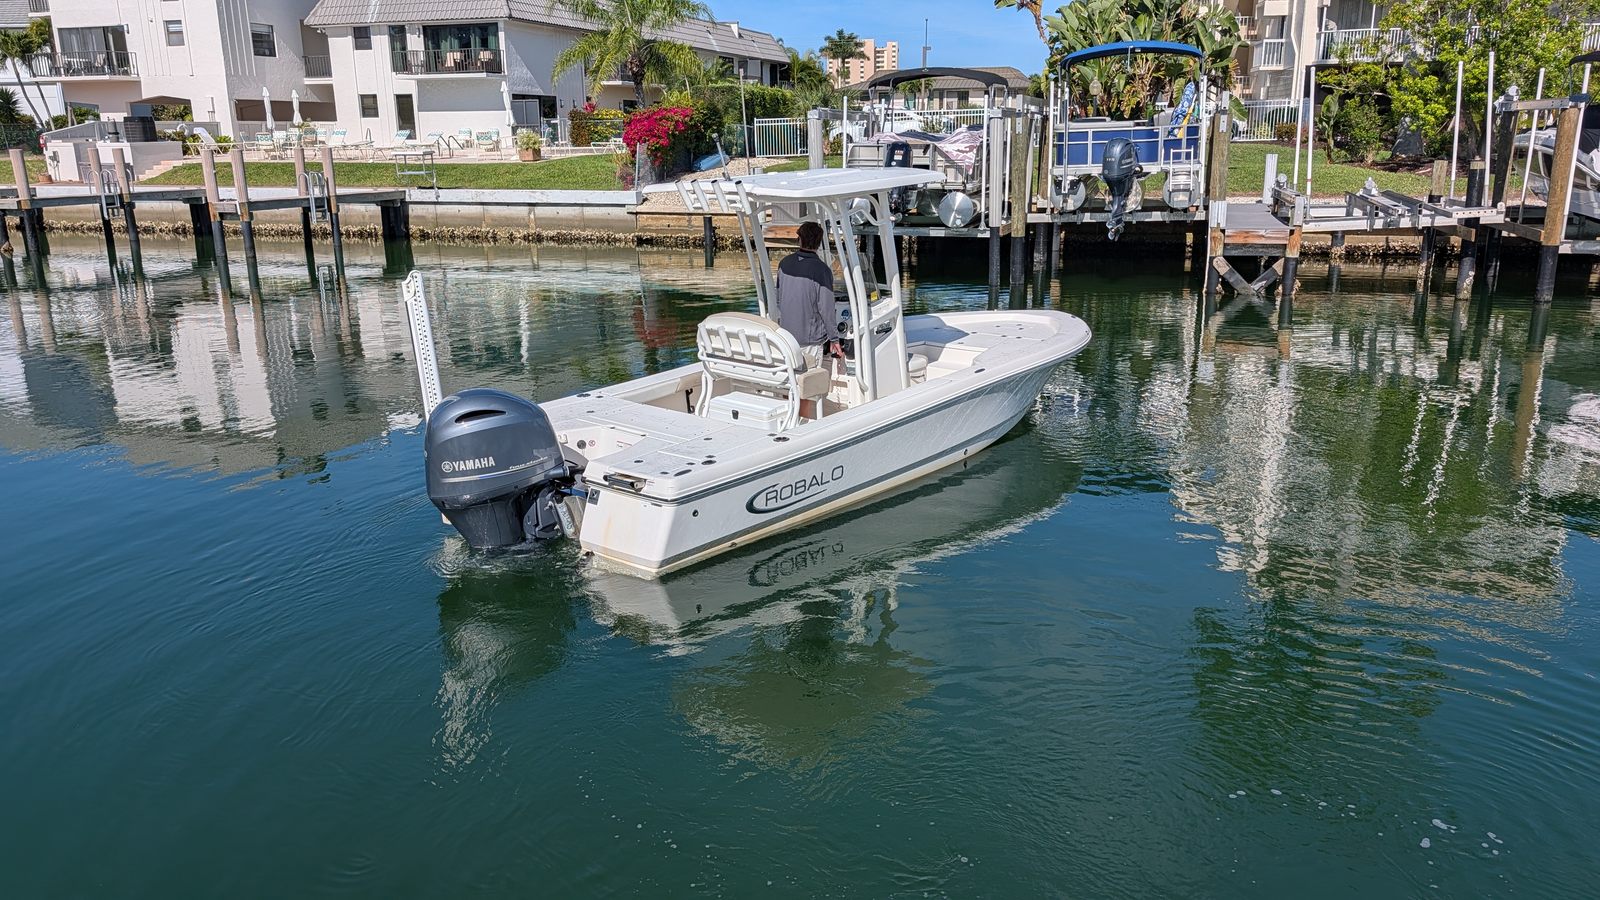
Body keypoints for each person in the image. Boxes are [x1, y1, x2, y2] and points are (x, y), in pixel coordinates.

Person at [774, 221, 840, 368]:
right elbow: (826, 309)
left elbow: (778, 299)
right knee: (810, 379)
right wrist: (834, 339)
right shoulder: (822, 270)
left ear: (799, 239)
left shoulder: (784, 264)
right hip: (810, 341)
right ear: (819, 243)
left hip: (786, 338)